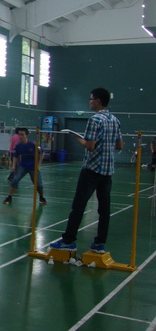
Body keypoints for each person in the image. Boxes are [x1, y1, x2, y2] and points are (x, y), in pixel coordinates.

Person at [50, 88, 123, 253]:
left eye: (91, 99)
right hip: (107, 171)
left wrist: (76, 137)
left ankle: (68, 240)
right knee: (104, 209)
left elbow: (90, 146)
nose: (89, 102)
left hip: (92, 169)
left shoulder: (94, 120)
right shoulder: (115, 120)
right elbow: (119, 146)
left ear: (98, 101)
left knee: (79, 206)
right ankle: (100, 244)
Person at [2, 128, 47, 205]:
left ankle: (42, 197)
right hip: (23, 166)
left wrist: (39, 165)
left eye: (22, 134)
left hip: (33, 166)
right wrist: (13, 165)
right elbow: (15, 156)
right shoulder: (18, 145)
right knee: (15, 180)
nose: (20, 136)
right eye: (19, 134)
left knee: (38, 184)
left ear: (26, 135)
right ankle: (9, 197)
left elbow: (42, 153)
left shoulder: (33, 144)